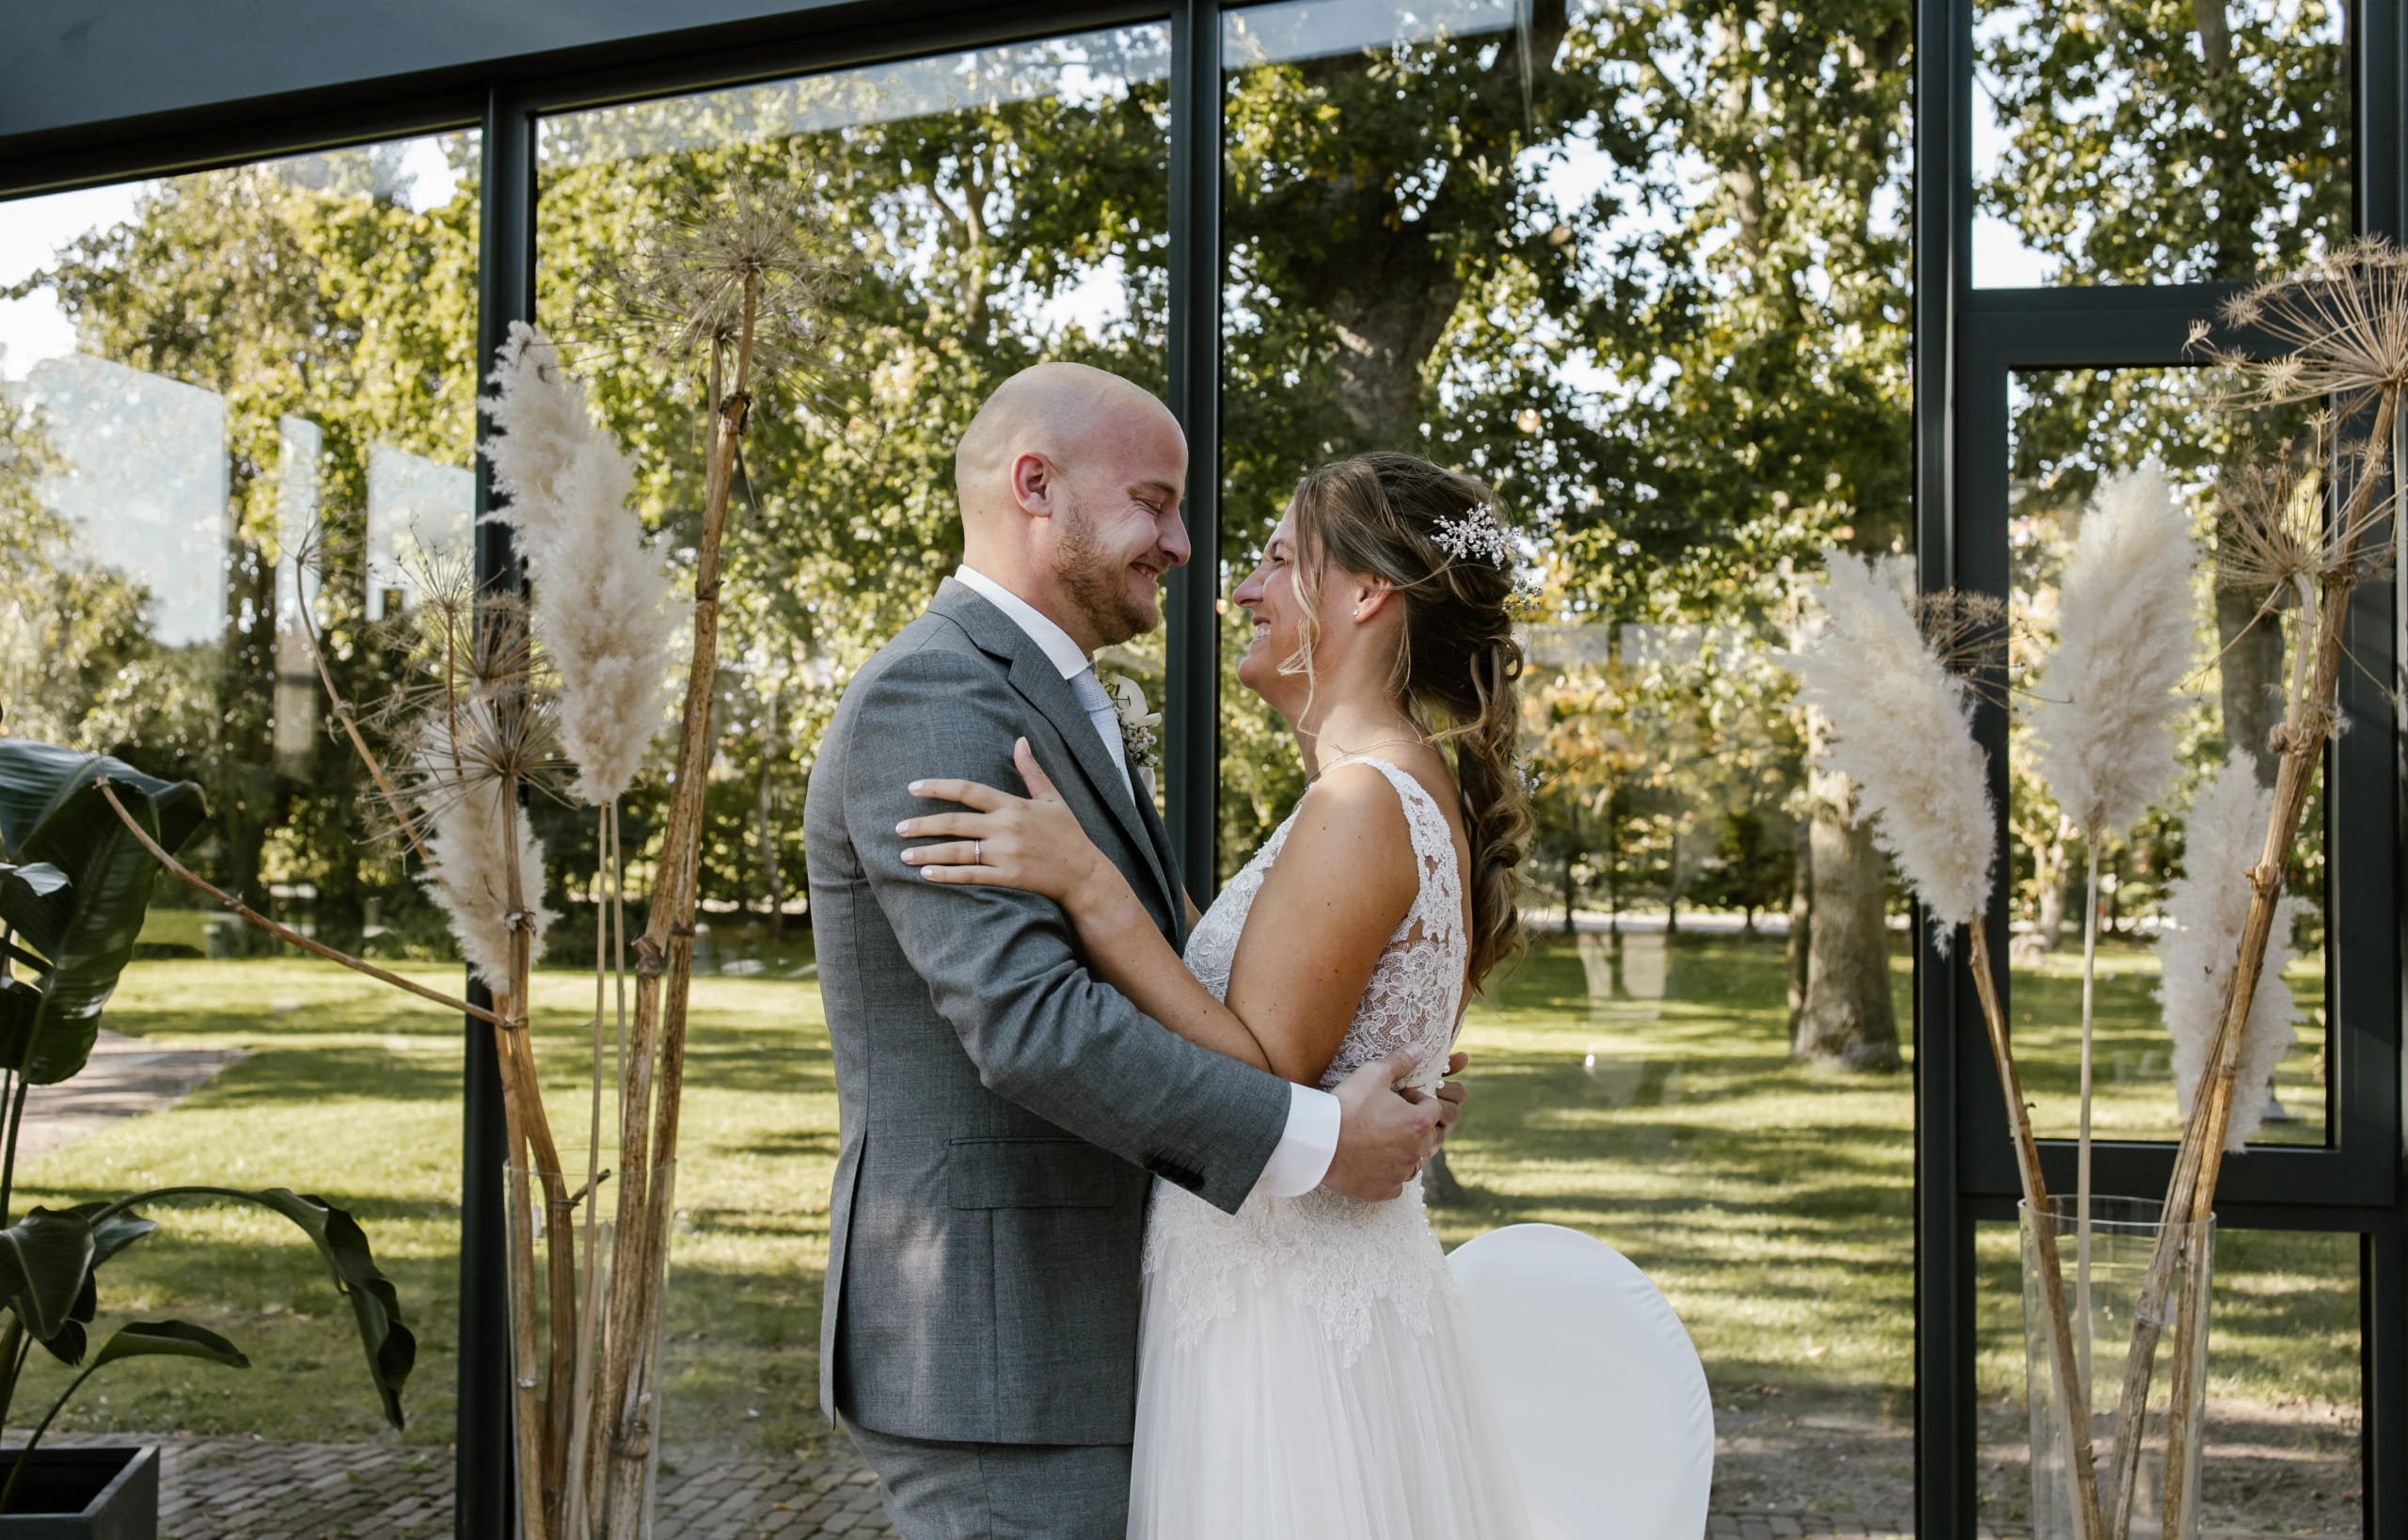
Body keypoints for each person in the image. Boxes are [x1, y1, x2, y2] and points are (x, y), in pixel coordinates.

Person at [801, 364, 1464, 1539]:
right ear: (1035, 485)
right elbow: (1031, 1023)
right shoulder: (938, 695)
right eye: (1155, 503)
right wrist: (1320, 1133)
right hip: (1009, 1352)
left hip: (1112, 1330)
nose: (1186, 544)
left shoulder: (1054, 697)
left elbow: (1175, 977)